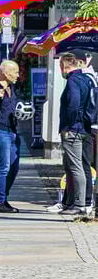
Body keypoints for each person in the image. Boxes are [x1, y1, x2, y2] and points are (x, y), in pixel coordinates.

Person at [49, 51, 93, 216]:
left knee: (75, 167)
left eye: (61, 66)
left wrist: (68, 125)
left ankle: (79, 204)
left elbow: (74, 104)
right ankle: (70, 202)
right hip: (83, 128)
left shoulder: (73, 81)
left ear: (64, 65)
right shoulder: (85, 79)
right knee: (70, 165)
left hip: (73, 129)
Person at [0, 59, 21, 213]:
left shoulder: (12, 88)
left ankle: (4, 198)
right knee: (4, 167)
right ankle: (0, 201)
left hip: (13, 131)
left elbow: (14, 106)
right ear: (5, 72)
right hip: (0, 131)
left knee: (14, 167)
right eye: (15, 71)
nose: (18, 75)